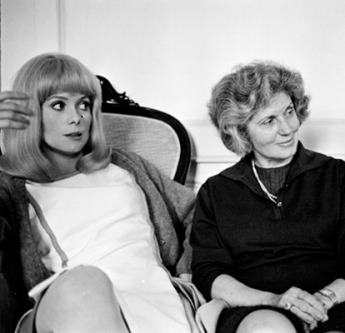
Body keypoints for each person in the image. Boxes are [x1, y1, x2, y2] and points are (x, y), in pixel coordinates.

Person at [0, 53, 201, 333]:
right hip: (63, 308)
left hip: (152, 299)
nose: (76, 118)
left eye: (83, 104)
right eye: (59, 105)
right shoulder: (9, 186)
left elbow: (202, 212)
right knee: (84, 283)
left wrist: (187, 268)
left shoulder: (125, 165)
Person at [190, 61, 345, 333]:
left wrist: (319, 301)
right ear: (241, 131)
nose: (287, 128)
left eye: (289, 112)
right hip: (254, 308)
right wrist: (275, 301)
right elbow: (209, 272)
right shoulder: (216, 191)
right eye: (269, 121)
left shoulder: (336, 176)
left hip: (335, 306)